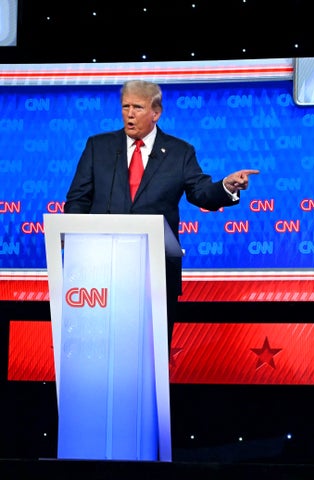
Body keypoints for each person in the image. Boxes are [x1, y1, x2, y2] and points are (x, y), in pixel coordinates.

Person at [64, 79, 260, 350]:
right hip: (101, 272)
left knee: (150, 354)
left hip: (155, 274)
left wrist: (227, 186)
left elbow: (201, 192)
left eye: (138, 107)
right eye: (125, 106)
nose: (129, 114)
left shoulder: (179, 152)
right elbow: (77, 199)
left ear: (156, 113)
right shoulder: (99, 146)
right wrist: (75, 240)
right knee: (99, 351)